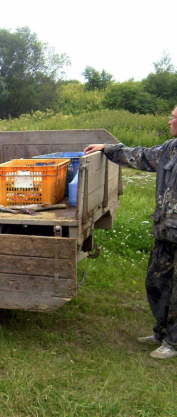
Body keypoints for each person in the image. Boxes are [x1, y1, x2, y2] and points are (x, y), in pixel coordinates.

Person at [84, 105, 177, 359]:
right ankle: (161, 332)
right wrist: (107, 148)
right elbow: (141, 155)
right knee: (156, 282)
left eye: (173, 117)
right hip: (166, 232)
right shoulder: (170, 148)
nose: (169, 121)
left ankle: (173, 342)